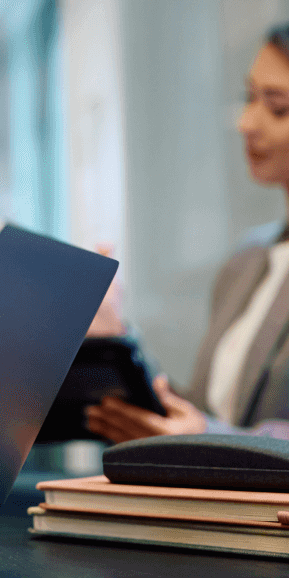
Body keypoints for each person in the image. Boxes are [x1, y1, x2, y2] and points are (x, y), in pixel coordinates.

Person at [85, 24, 289, 443]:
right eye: (249, 98)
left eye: (277, 106)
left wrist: (208, 436)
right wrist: (114, 337)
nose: (246, 122)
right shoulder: (247, 264)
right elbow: (203, 415)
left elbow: (213, 431)